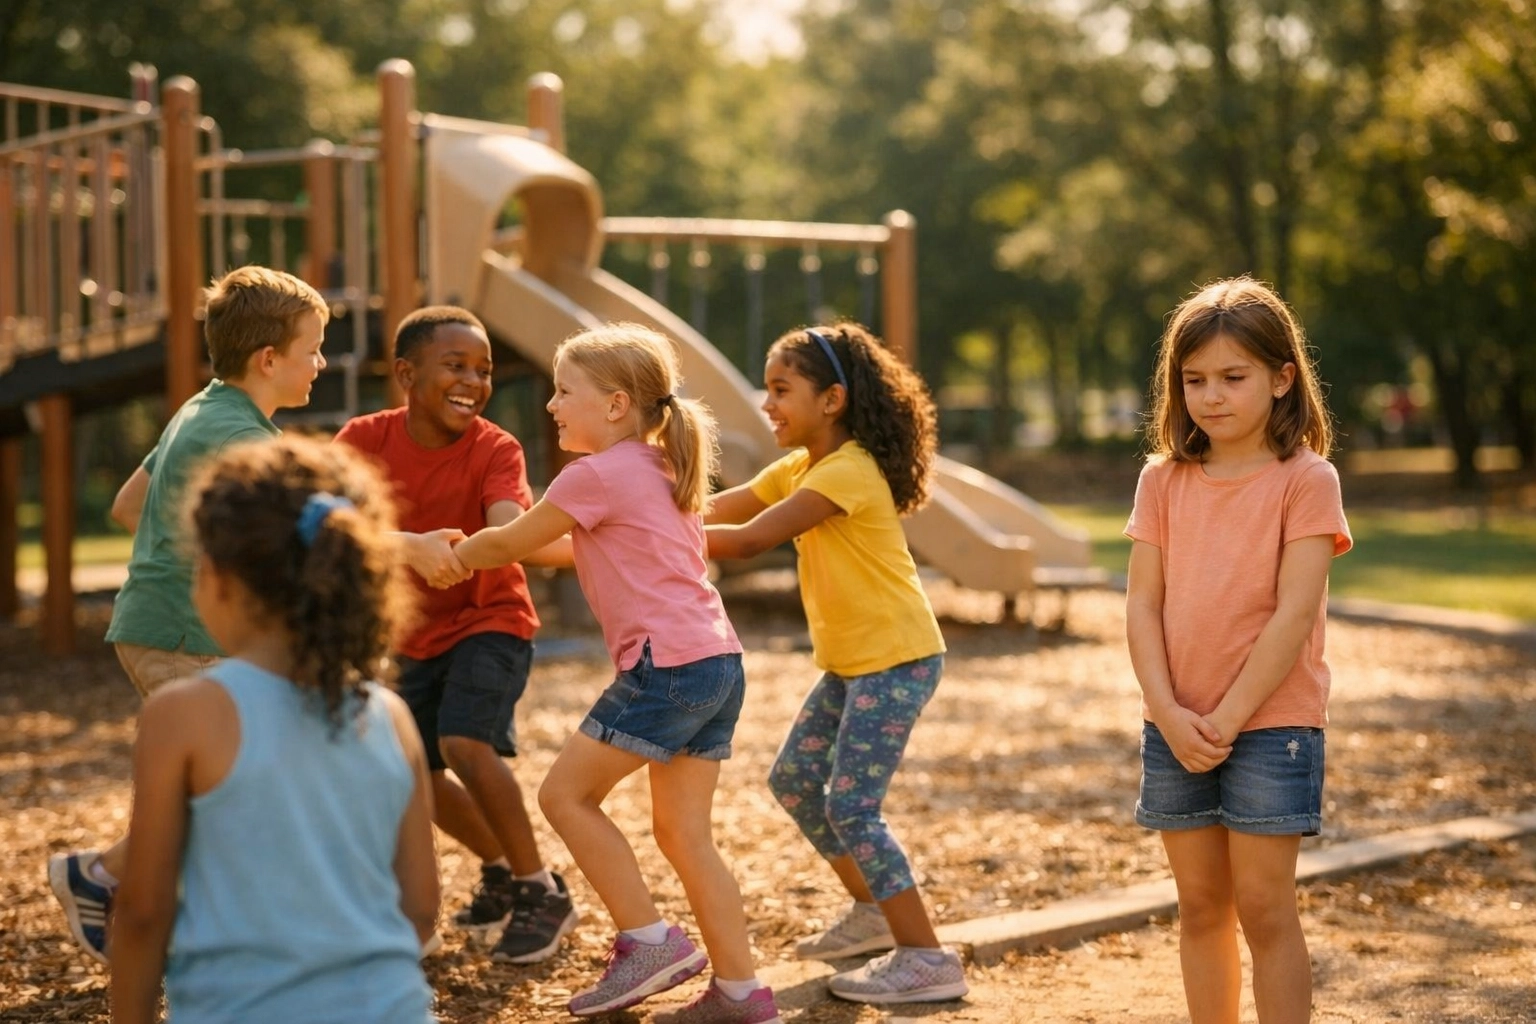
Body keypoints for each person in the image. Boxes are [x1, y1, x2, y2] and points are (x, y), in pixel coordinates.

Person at [448, 325, 782, 1023]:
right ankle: (742, 993)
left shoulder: (594, 475)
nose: (551, 405)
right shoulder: (664, 468)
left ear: (616, 404)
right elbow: (559, 550)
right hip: (717, 662)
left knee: (565, 796)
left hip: (667, 667)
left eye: (564, 391)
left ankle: (649, 941)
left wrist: (455, 552)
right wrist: (492, 547)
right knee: (686, 835)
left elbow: (514, 539)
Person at [49, 265, 330, 964]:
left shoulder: (202, 411)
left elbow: (128, 504)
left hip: (162, 627)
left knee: (226, 784)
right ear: (270, 359)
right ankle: (164, 909)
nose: (323, 363)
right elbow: (311, 530)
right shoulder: (243, 440)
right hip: (186, 636)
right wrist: (407, 548)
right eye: (314, 348)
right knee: (243, 786)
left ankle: (108, 879)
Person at [110, 435, 438, 1024]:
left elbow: (141, 911)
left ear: (219, 577)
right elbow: (419, 906)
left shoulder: (183, 716)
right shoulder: (391, 716)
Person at [705, 323, 969, 1005]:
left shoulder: (847, 470)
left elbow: (748, 539)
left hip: (898, 658)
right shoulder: (801, 467)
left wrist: (645, 534)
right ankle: (875, 911)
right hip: (857, 663)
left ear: (832, 400)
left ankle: (927, 956)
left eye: (781, 389)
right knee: (795, 780)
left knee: (852, 805)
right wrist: (634, 513)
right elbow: (720, 508)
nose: (767, 404)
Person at [1123, 277, 1351, 1024]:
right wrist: (1169, 712)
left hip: (1271, 727)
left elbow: (1294, 613)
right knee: (1200, 909)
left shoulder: (1307, 481)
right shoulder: (1162, 480)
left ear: (1283, 378)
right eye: (1194, 380)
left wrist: (1227, 717)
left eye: (1233, 377)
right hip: (1176, 725)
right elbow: (1142, 603)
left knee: (1264, 909)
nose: (1212, 396)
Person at [335, 305, 576, 963]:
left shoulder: (495, 448)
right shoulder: (364, 439)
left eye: (484, 368)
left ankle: (540, 890)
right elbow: (319, 518)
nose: (473, 379)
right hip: (413, 636)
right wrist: (405, 546)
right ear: (406, 374)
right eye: (455, 365)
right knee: (413, 767)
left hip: (490, 620)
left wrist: (475, 550)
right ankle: (499, 868)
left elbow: (508, 523)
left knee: (464, 741)